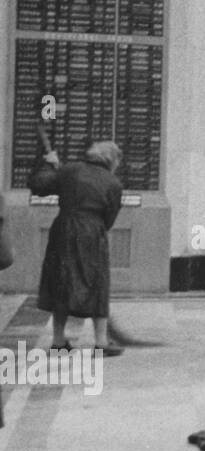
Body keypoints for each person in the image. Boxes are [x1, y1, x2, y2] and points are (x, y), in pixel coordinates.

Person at [29, 141, 125, 356]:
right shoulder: (113, 183)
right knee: (98, 283)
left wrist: (48, 164)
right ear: (112, 160)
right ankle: (101, 342)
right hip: (93, 232)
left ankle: (58, 340)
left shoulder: (70, 170)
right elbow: (109, 218)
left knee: (61, 281)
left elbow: (40, 186)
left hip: (63, 229)